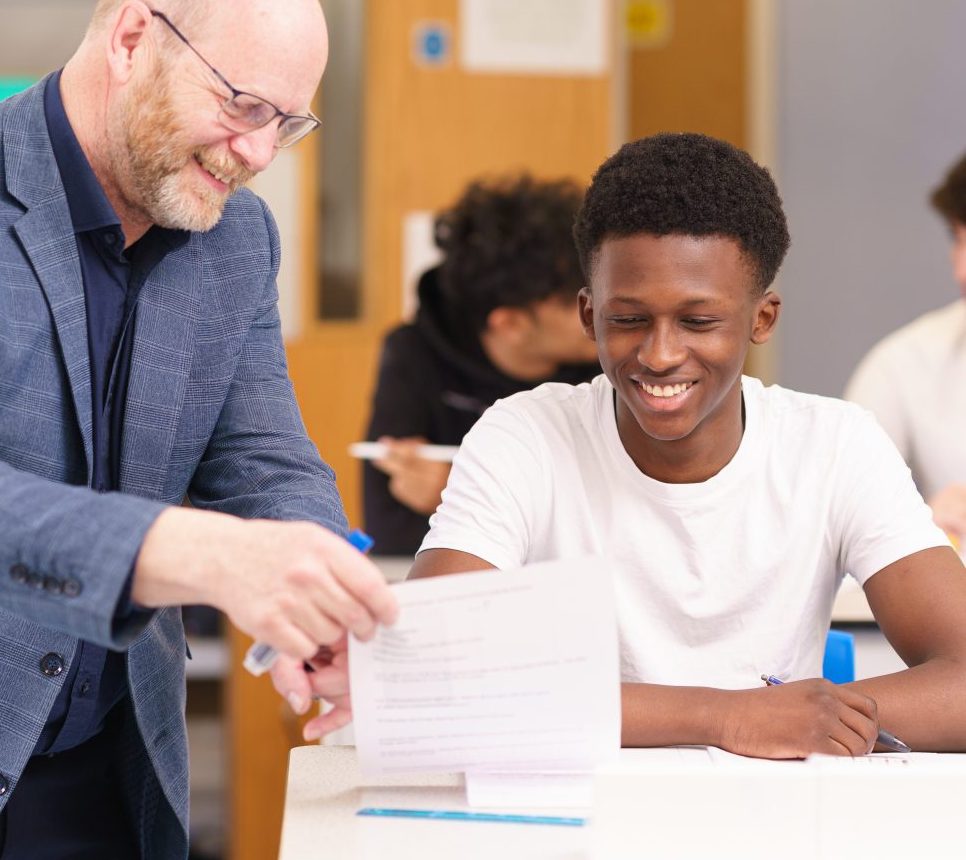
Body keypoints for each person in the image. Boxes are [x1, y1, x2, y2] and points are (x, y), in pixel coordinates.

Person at [0, 0, 397, 860]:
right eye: (243, 104)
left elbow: (262, 459)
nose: (261, 153)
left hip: (114, 779)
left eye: (288, 122)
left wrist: (314, 585)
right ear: (132, 39)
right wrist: (208, 556)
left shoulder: (236, 241)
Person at [409, 132, 966, 757]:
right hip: (576, 826)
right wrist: (725, 717)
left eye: (699, 322)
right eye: (628, 320)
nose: (660, 354)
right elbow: (426, 670)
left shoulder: (834, 445)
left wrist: (807, 716)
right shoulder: (525, 436)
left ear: (762, 319)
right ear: (589, 316)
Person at [363, 175, 600, 555]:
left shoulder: (611, 362)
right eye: (576, 300)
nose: (603, 308)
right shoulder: (415, 356)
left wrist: (460, 496)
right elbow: (389, 531)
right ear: (510, 325)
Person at [845, 154, 966, 543]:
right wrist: (914, 531)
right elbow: (842, 527)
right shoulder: (905, 362)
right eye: (958, 238)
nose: (960, 270)